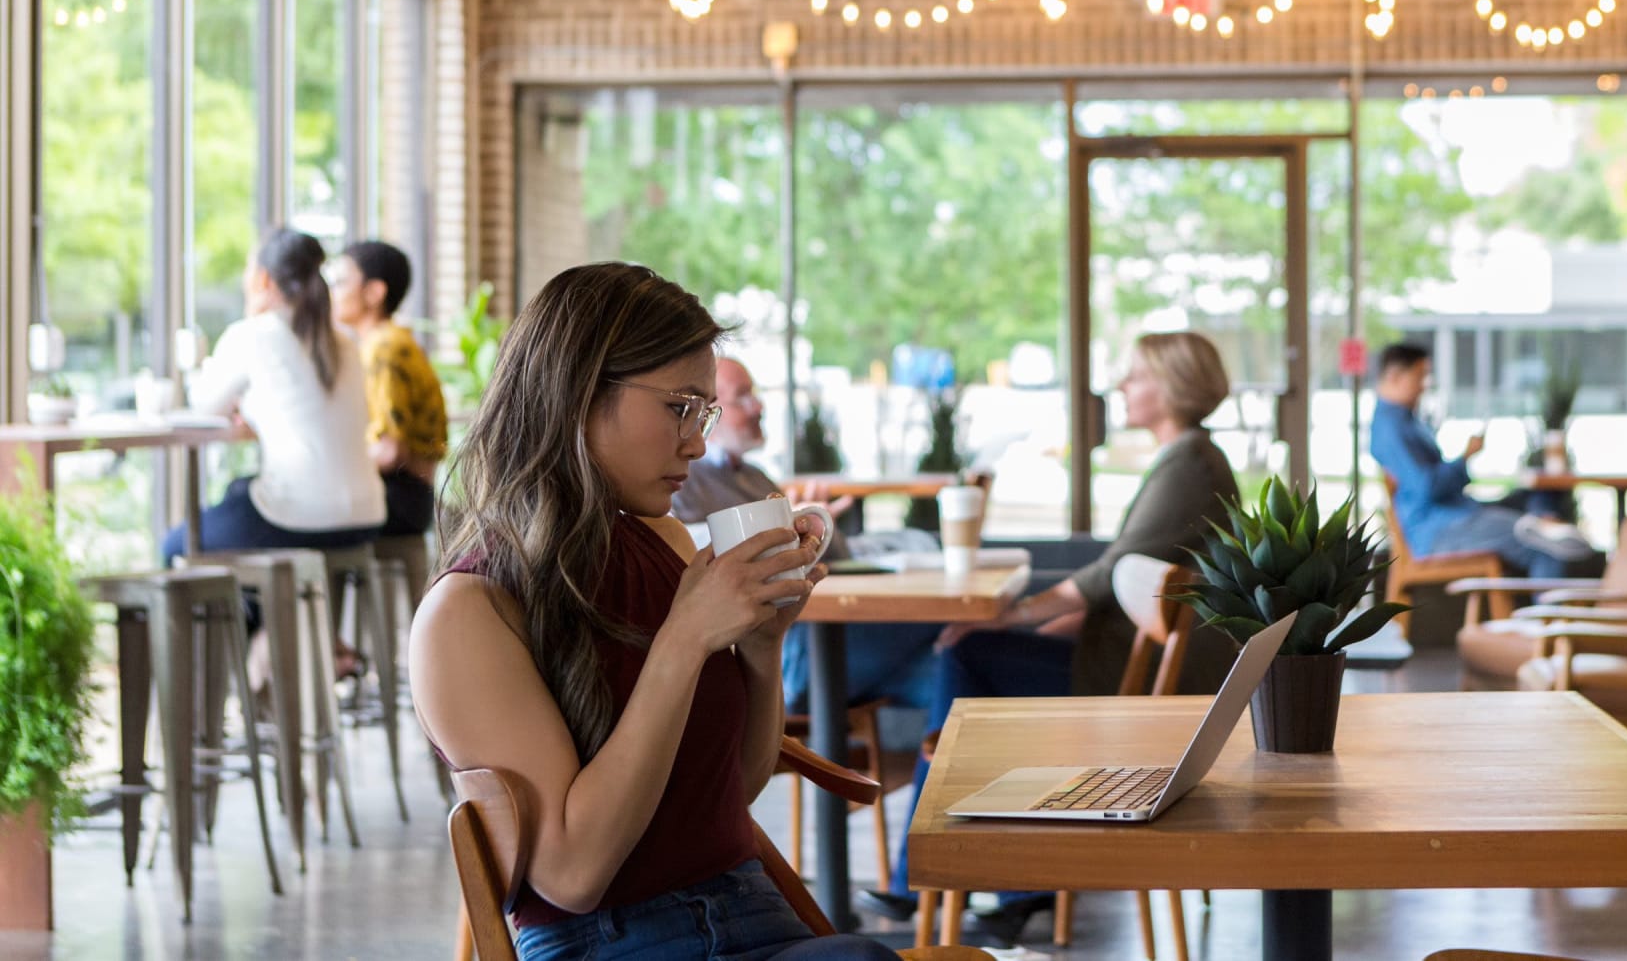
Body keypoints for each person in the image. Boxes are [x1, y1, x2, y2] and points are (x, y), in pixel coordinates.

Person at [409, 263, 896, 961]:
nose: (697, 444)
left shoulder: (662, 542)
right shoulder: (470, 611)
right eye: (679, 408)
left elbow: (732, 789)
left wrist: (762, 650)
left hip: (758, 915)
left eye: (704, 415)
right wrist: (683, 641)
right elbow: (573, 875)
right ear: (579, 390)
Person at [861, 332, 1242, 942]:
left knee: (969, 651)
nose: (1121, 385)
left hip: (1131, 683)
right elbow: (1117, 583)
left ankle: (944, 878)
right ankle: (975, 881)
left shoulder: (1190, 463)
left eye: (1136, 375)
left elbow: (1104, 576)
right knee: (972, 656)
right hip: (1124, 662)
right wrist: (1034, 621)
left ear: (1172, 386)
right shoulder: (1190, 457)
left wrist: (1010, 616)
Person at [670, 357, 941, 716]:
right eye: (742, 397)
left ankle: (924, 772)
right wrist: (779, 531)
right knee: (939, 625)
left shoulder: (754, 477)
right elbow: (687, 549)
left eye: (755, 394)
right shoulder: (682, 481)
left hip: (807, 641)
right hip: (788, 653)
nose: (758, 406)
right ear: (707, 412)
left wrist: (817, 527)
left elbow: (832, 557)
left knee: (948, 667)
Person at [163, 229, 386, 571]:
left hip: (300, 517)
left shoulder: (253, 333)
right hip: (367, 513)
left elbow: (204, 406)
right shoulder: (347, 341)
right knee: (240, 493)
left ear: (263, 279)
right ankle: (262, 623)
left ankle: (246, 624)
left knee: (175, 545)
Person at [1369, 342, 1592, 579]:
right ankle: (1547, 605)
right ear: (1394, 376)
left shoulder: (1408, 421)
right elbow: (1428, 487)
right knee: (1543, 545)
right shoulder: (1390, 428)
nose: (1425, 386)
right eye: (1419, 377)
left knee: (1535, 498)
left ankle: (1541, 522)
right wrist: (1465, 456)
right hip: (1438, 528)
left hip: (1458, 512)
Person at [329, 241, 448, 538]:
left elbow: (389, 451)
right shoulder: (396, 340)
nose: (332, 293)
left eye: (341, 282)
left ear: (374, 292)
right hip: (416, 496)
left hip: (398, 498)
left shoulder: (383, 349)